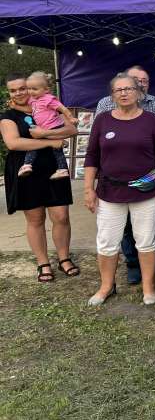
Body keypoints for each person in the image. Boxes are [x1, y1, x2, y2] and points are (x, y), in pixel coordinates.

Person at [84, 74, 155, 306]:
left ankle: (148, 286)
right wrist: (88, 189)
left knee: (146, 240)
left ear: (138, 92)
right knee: (107, 241)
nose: (124, 93)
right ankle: (106, 286)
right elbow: (92, 155)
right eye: (118, 90)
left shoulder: (151, 120)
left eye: (128, 88)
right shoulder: (102, 120)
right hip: (109, 192)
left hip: (146, 191)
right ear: (112, 95)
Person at [1, 72, 78, 281]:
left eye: (22, 88)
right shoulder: (8, 116)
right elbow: (14, 143)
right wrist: (51, 141)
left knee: (61, 215)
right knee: (36, 219)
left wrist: (44, 134)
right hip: (26, 170)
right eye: (13, 90)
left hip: (54, 166)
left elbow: (71, 129)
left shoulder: (48, 104)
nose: (18, 93)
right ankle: (43, 262)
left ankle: (64, 258)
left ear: (32, 87)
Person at [17, 71, 76, 180]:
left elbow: (62, 108)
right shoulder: (33, 100)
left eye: (34, 89)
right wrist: (16, 107)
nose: (31, 92)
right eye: (29, 89)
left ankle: (61, 169)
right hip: (44, 128)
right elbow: (29, 109)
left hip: (53, 126)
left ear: (46, 90)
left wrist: (70, 118)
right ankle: (27, 165)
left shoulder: (48, 99)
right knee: (46, 146)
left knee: (49, 148)